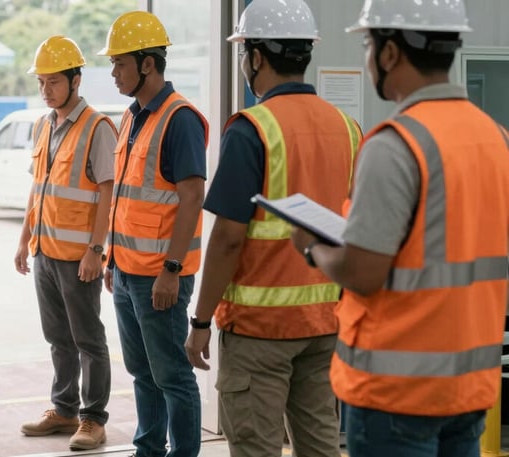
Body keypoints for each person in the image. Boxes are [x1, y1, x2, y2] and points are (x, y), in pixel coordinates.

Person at [289, 1, 509, 456]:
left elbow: (363, 272)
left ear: (390, 53)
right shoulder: (496, 138)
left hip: (397, 394)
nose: (369, 59)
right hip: (469, 386)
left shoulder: (396, 145)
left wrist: (313, 247)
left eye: (369, 45)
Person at [183, 1, 361, 456]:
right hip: (326, 323)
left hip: (260, 330)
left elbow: (227, 239)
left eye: (244, 52)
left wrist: (200, 321)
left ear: (257, 57)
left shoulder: (251, 129)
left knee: (255, 446)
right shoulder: (348, 127)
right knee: (320, 442)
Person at [98, 11, 208, 457]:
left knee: (173, 377)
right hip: (126, 271)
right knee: (142, 373)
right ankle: (149, 449)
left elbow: (192, 198)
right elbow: (127, 197)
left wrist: (171, 270)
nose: (113, 72)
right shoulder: (131, 116)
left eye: (120, 63)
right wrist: (110, 259)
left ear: (148, 64)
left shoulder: (178, 118)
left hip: (160, 276)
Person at [14, 35, 116, 451]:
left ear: (76, 80)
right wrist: (24, 241)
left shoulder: (98, 127)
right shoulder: (44, 125)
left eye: (53, 81)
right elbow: (38, 189)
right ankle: (64, 409)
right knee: (57, 336)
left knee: (88, 338)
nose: (45, 90)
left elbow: (108, 193)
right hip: (44, 251)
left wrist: (96, 250)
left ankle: (93, 418)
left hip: (79, 258)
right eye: (41, 82)